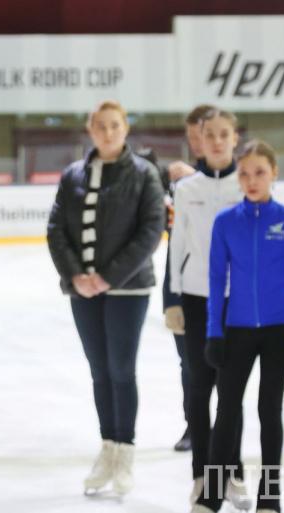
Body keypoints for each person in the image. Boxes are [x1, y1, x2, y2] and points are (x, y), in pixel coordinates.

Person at [47, 100, 165, 496]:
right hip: (83, 290)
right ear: (90, 129)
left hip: (127, 289)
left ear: (125, 128)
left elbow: (151, 230)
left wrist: (107, 277)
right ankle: (108, 448)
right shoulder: (73, 175)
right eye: (101, 126)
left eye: (115, 125)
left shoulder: (145, 174)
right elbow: (56, 229)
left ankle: (125, 451)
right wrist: (76, 276)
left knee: (121, 370)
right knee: (99, 370)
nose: (108, 132)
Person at [191, 140, 284, 513]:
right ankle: (212, 494)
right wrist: (214, 332)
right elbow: (216, 280)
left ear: (274, 173)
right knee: (227, 410)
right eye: (244, 173)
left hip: (280, 329)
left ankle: (269, 497)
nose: (251, 180)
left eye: (259, 172)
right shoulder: (225, 222)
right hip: (237, 329)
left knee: (269, 411)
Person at [169, 107, 251, 509]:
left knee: (232, 392)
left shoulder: (247, 183)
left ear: (235, 138)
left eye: (224, 134)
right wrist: (173, 299)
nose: (217, 141)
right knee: (199, 389)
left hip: (240, 301)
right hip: (197, 298)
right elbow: (177, 244)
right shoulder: (187, 189)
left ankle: (232, 472)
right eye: (209, 134)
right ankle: (202, 475)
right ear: (199, 140)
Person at [161, 103, 215, 453]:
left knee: (225, 366)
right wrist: (171, 297)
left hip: (225, 290)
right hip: (184, 284)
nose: (197, 144)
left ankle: (224, 426)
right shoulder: (180, 184)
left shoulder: (238, 179)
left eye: (203, 136)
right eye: (192, 137)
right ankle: (194, 426)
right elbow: (174, 241)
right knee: (190, 363)